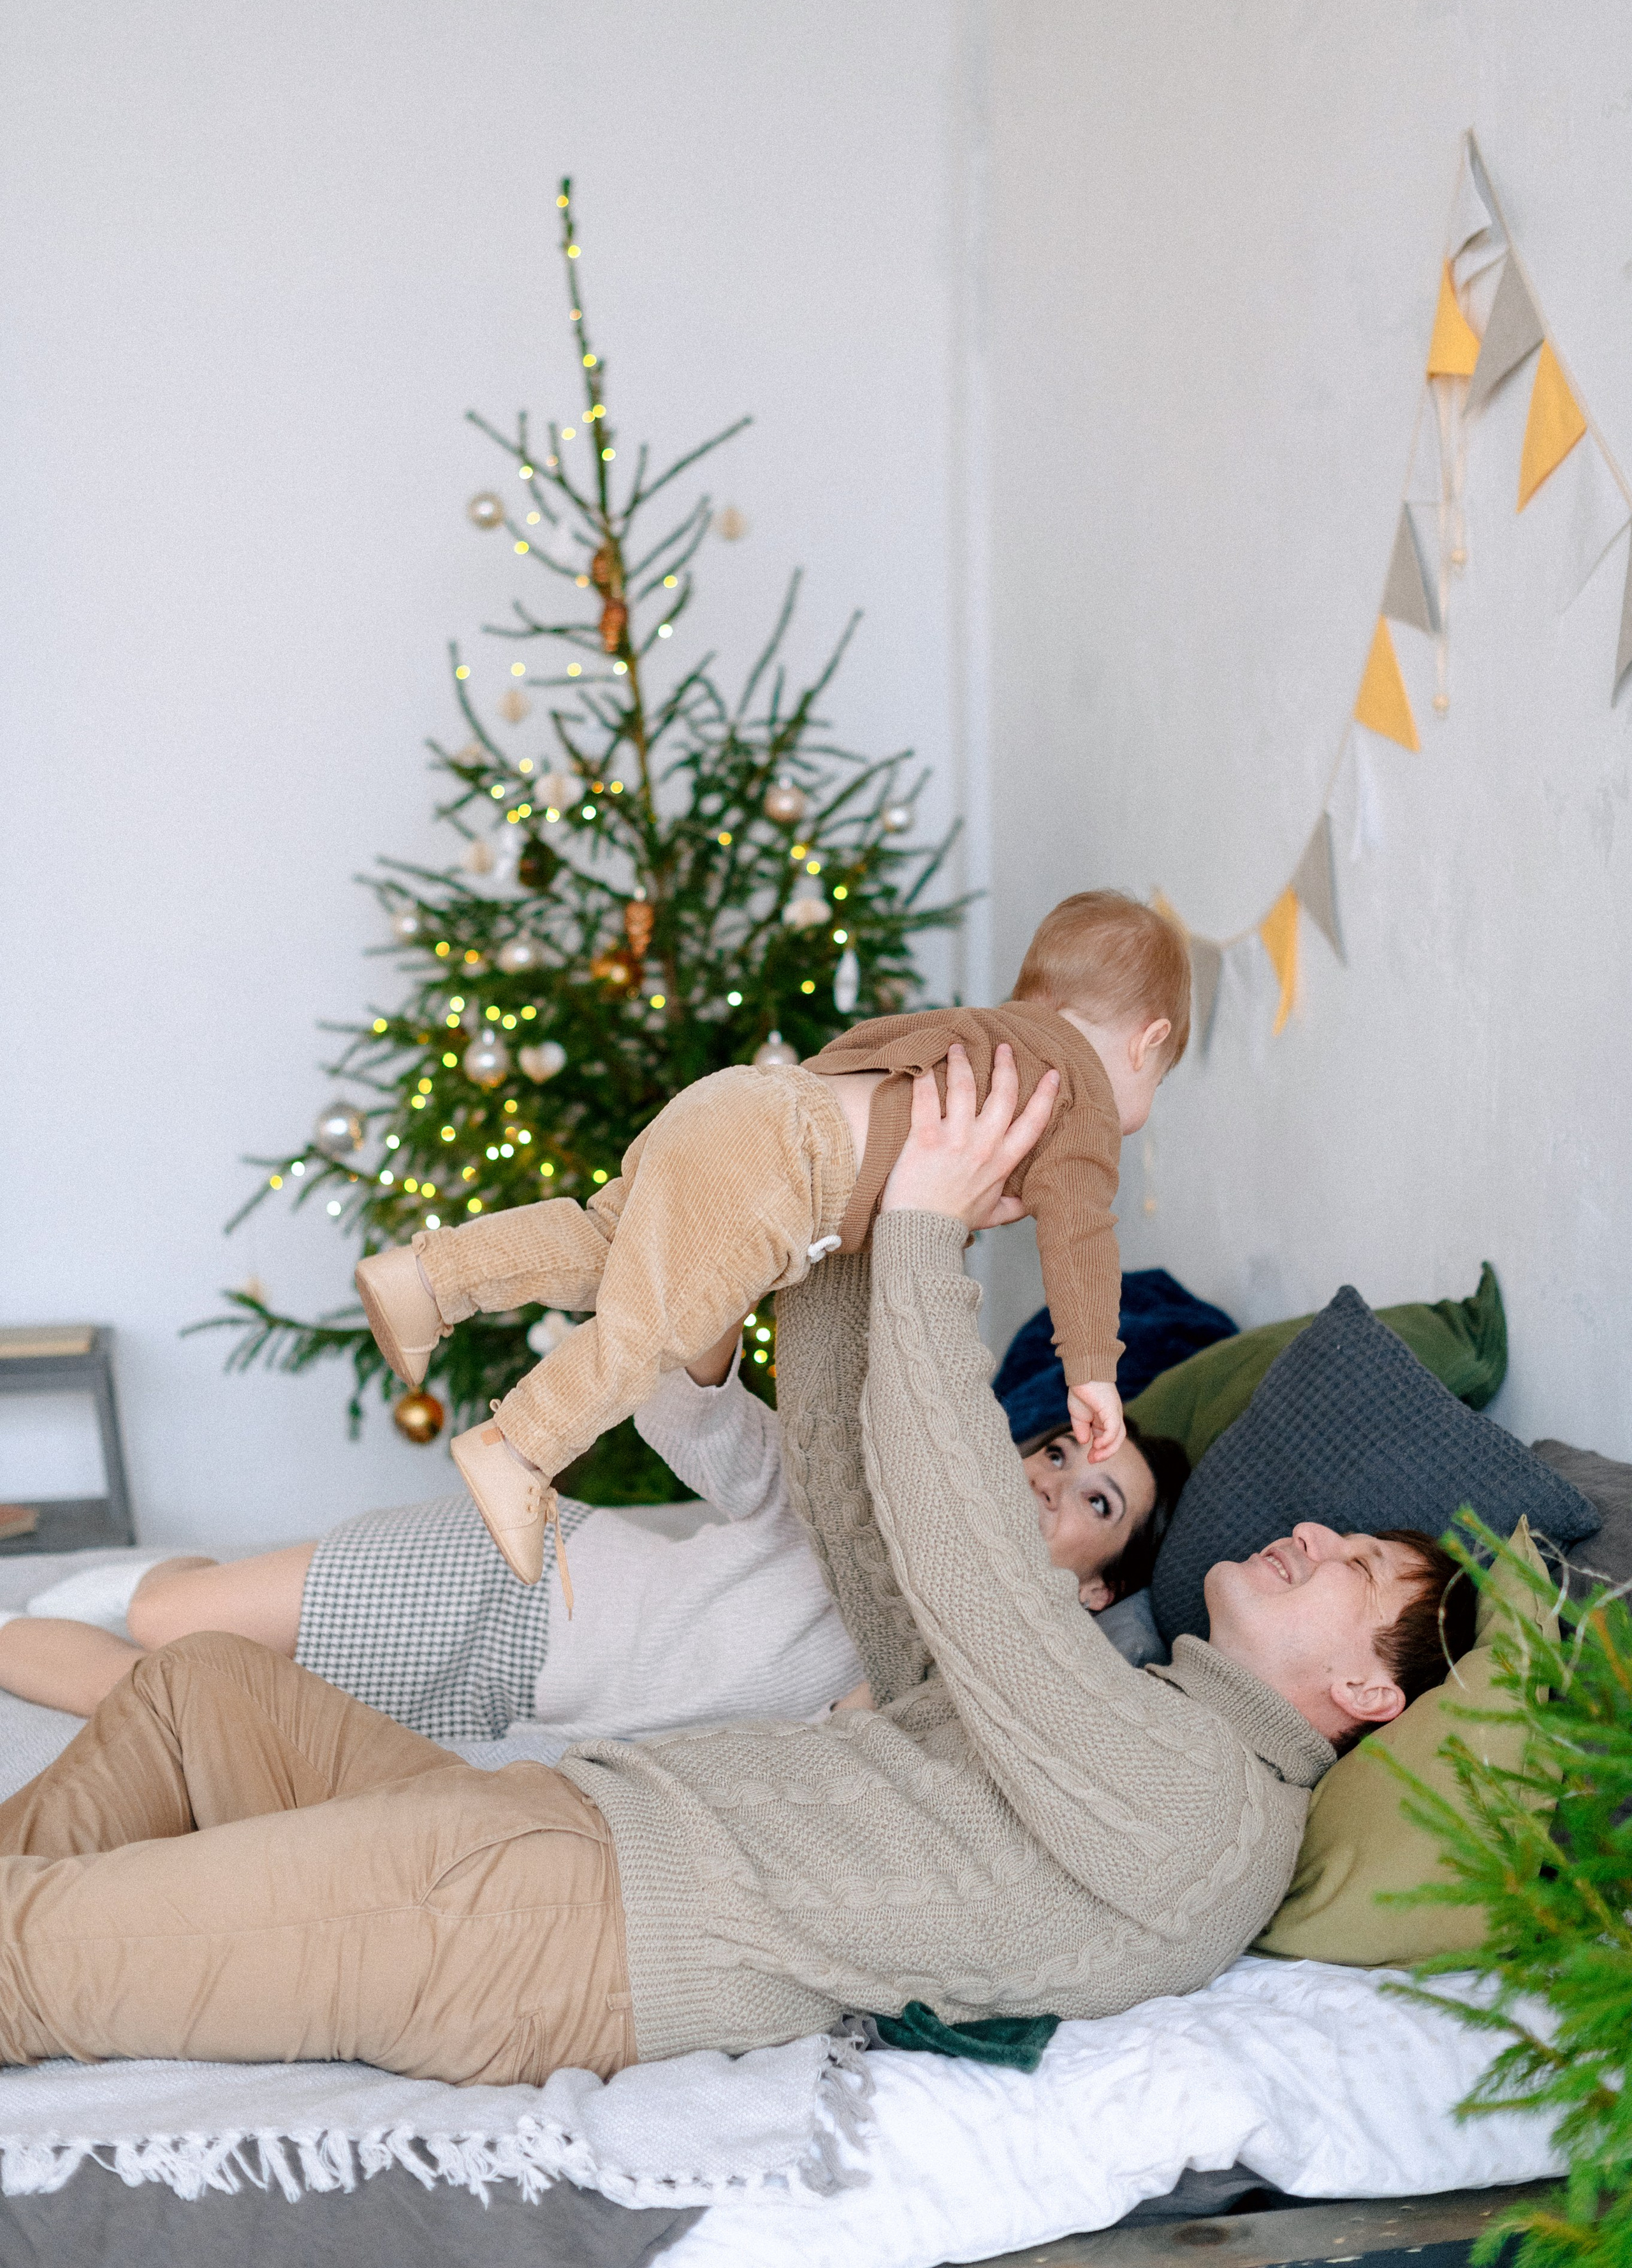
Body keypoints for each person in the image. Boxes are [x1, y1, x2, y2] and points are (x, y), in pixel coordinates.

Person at [0, 1050, 1471, 2083]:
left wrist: (926, 1241)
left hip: (566, 1925)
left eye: (1358, 1565)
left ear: (1366, 1689)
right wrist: (843, 1207)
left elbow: (973, 1570)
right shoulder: (1134, 1709)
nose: (1309, 1536)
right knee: (201, 1695)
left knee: (37, 1949)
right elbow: (859, 1516)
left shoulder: (1209, 1810)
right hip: (553, 1827)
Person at [355, 890, 1190, 1581]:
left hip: (749, 1101)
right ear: (1146, 1042)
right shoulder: (1077, 1092)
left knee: (609, 1241)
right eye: (1157, 1081)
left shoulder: (986, 1031)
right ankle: (520, 1450)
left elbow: (858, 1055)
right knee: (658, 1325)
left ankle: (428, 1280)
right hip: (791, 1171)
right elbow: (1082, 1238)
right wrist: (1092, 1372)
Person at [0, 1364, 1185, 1731]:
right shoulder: (861, 1508)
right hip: (513, 1576)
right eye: (1056, 1456)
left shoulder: (960, 1687)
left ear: (1095, 1594)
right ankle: (169, 1583)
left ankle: (151, 1598)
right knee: (158, 1636)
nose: (1051, 1483)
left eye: (1096, 1505)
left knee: (165, 1713)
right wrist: (711, 1326)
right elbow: (705, 1420)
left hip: (506, 1723)